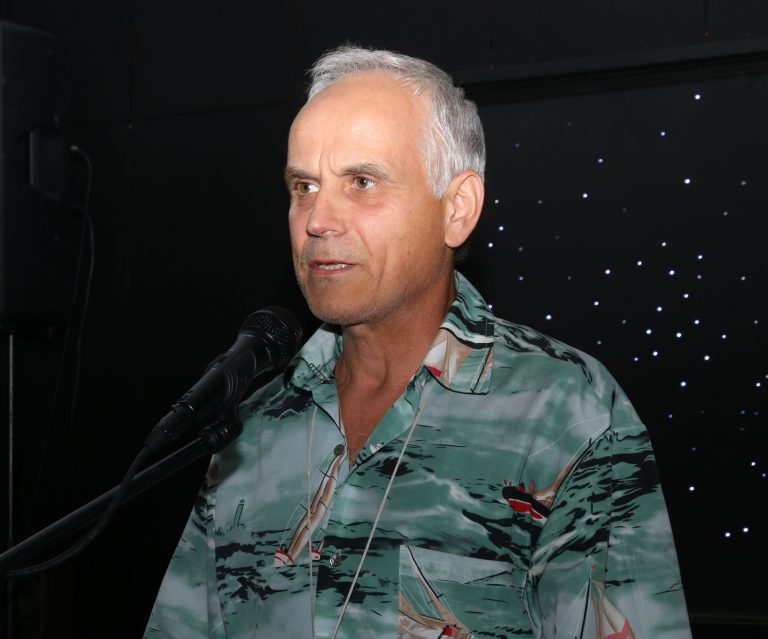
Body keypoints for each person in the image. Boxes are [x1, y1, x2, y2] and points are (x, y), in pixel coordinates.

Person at [145, 46, 692, 639]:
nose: (317, 220)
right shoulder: (252, 427)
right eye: (304, 185)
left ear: (457, 209)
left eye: (361, 182)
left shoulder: (563, 413)